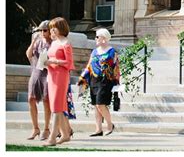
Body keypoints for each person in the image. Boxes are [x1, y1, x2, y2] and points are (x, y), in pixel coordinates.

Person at [78, 27, 120, 137]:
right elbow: (89, 65)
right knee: (95, 105)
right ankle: (98, 129)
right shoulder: (94, 51)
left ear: (104, 38)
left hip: (105, 80)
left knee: (100, 104)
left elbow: (115, 67)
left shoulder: (111, 52)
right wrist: (83, 77)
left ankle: (110, 125)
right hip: (94, 79)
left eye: (97, 36)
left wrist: (117, 81)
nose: (95, 38)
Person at [44, 17, 75, 146]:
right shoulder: (54, 43)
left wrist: (54, 61)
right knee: (57, 107)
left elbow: (69, 64)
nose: (51, 30)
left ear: (61, 28)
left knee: (57, 107)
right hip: (51, 75)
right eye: (50, 28)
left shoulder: (65, 43)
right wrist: (46, 63)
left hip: (61, 76)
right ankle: (65, 134)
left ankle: (52, 138)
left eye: (54, 28)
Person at [26, 20, 51, 141]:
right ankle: (35, 128)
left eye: (45, 30)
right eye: (40, 30)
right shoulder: (38, 41)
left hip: (47, 74)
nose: (42, 32)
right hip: (35, 72)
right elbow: (29, 55)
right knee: (31, 98)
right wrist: (33, 42)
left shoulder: (53, 43)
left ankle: (46, 129)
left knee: (46, 100)